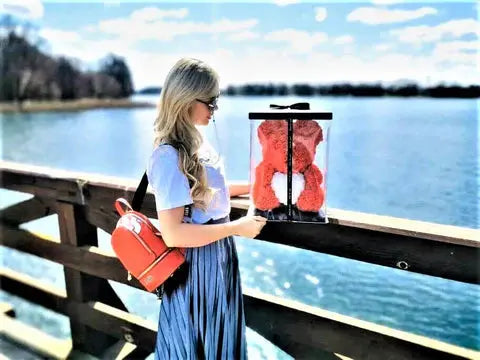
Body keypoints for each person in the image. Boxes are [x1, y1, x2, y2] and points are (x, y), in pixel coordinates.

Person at [147, 58, 267, 360]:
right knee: (199, 346)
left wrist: (258, 186)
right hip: (195, 269)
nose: (215, 110)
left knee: (221, 341)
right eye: (210, 102)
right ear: (187, 99)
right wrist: (237, 228)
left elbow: (212, 196)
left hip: (219, 258)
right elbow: (173, 234)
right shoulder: (167, 155)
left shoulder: (196, 143)